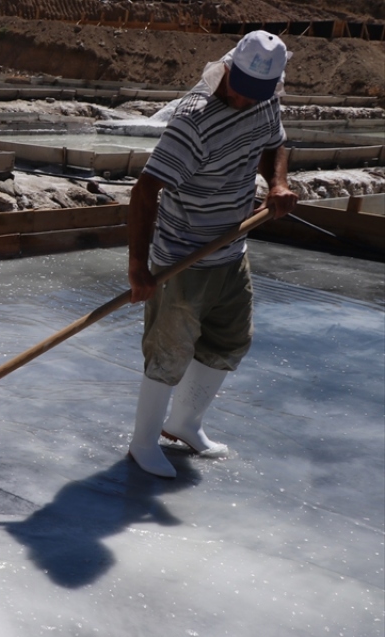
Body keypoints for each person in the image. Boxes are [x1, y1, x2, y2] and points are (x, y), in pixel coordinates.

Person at [126, 31, 298, 477]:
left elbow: (273, 142)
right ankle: (143, 442)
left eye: (256, 94)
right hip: (183, 255)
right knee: (170, 350)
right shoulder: (194, 120)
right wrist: (138, 268)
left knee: (230, 339)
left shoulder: (263, 99)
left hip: (230, 248)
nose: (244, 100)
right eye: (239, 89)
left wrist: (277, 183)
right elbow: (145, 193)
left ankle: (185, 423)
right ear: (228, 70)